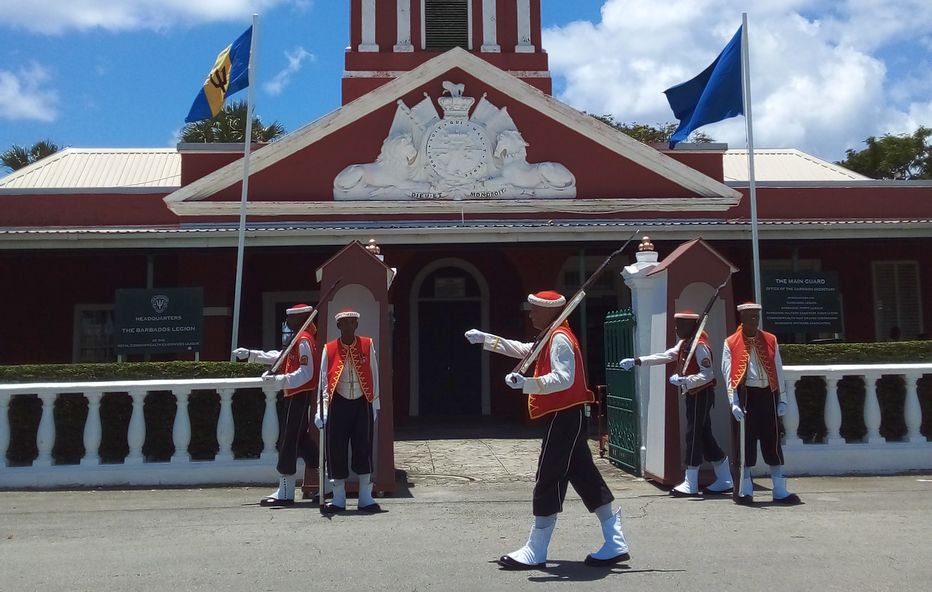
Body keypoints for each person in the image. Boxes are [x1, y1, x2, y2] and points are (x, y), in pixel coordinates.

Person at [465, 290, 629, 570]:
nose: (530, 314)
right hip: (566, 415)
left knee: (548, 475)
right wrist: (487, 339)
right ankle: (615, 540)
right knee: (584, 476)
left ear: (549, 311)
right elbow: (524, 350)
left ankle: (536, 548)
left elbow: (564, 379)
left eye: (534, 309)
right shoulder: (551, 335)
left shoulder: (560, 338)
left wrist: (526, 384)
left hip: (565, 415)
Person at [619, 310, 732, 497]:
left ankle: (691, 482)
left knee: (693, 435)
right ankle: (725, 478)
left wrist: (686, 381)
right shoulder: (684, 344)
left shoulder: (700, 346)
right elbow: (665, 356)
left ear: (692, 326)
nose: (677, 328)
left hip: (701, 395)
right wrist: (637, 361)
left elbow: (708, 374)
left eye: (680, 325)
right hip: (693, 394)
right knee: (704, 436)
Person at [232, 303, 322, 507]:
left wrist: (280, 380)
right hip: (294, 395)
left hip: (299, 396)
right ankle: (327, 481)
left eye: (291, 319)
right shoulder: (298, 340)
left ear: (300, 319)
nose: (288, 323)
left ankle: (286, 490)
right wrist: (252, 354)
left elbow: (307, 373)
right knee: (301, 442)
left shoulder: (304, 341)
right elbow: (281, 357)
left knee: (288, 441)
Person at [723, 302, 802, 506]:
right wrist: (734, 402)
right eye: (750, 316)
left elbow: (778, 368)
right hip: (747, 394)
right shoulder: (731, 342)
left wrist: (782, 398)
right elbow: (728, 374)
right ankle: (745, 489)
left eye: (756, 316)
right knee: (745, 443)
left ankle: (779, 489)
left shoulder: (770, 339)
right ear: (742, 318)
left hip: (768, 394)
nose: (754, 320)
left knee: (772, 440)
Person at [315, 310, 381, 514]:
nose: (349, 326)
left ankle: (365, 497)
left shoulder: (367, 345)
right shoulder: (330, 348)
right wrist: (322, 409)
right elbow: (324, 382)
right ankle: (338, 498)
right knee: (336, 450)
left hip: (362, 403)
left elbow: (374, 374)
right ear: (338, 326)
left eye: (352, 322)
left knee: (364, 448)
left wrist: (375, 403)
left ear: (357, 325)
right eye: (344, 323)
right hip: (338, 404)